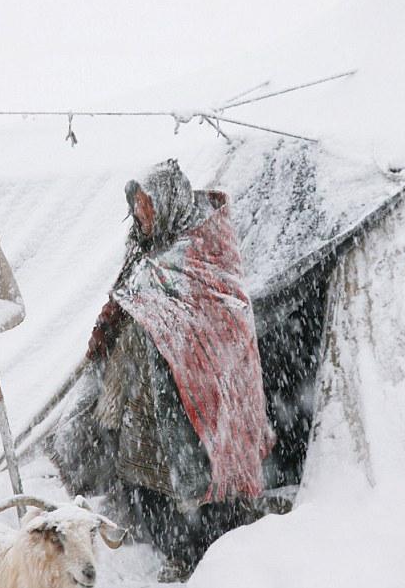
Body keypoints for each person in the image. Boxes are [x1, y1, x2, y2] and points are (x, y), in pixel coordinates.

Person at [80, 159, 275, 582]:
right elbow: (130, 295)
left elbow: (219, 321)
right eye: (136, 206)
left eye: (147, 205)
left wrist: (169, 333)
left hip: (196, 393)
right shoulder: (147, 249)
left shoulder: (205, 248)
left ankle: (205, 554)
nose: (140, 215)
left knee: (199, 476)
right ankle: (171, 545)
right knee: (149, 476)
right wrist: (111, 326)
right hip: (150, 390)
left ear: (167, 202)